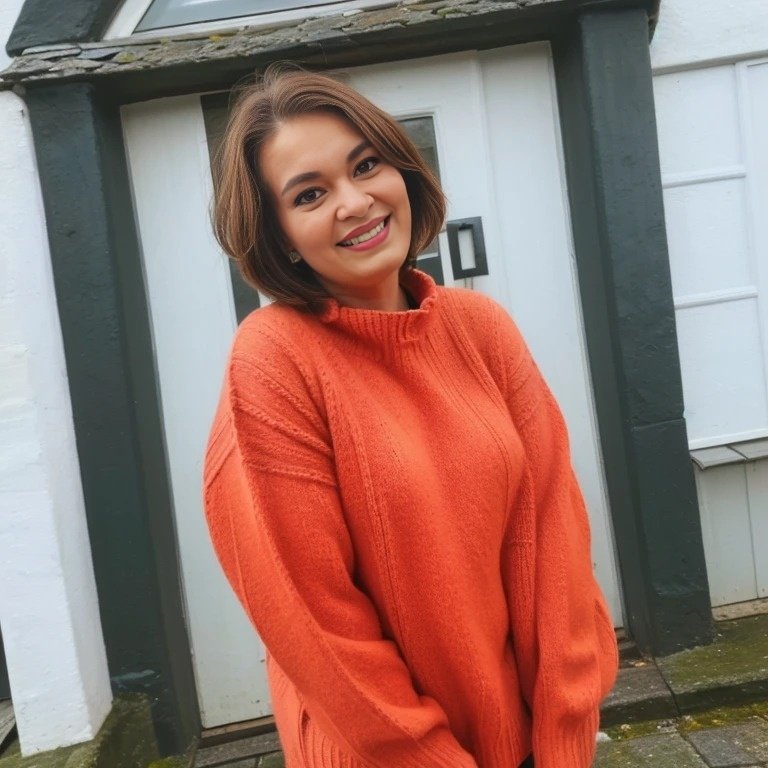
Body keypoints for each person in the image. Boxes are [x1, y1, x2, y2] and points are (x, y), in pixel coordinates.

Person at [203, 66, 619, 768]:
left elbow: (554, 543)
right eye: (310, 194)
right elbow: (311, 615)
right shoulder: (274, 360)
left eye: (366, 165)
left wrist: (563, 732)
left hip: (522, 743)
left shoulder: (480, 328)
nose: (355, 201)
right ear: (280, 236)